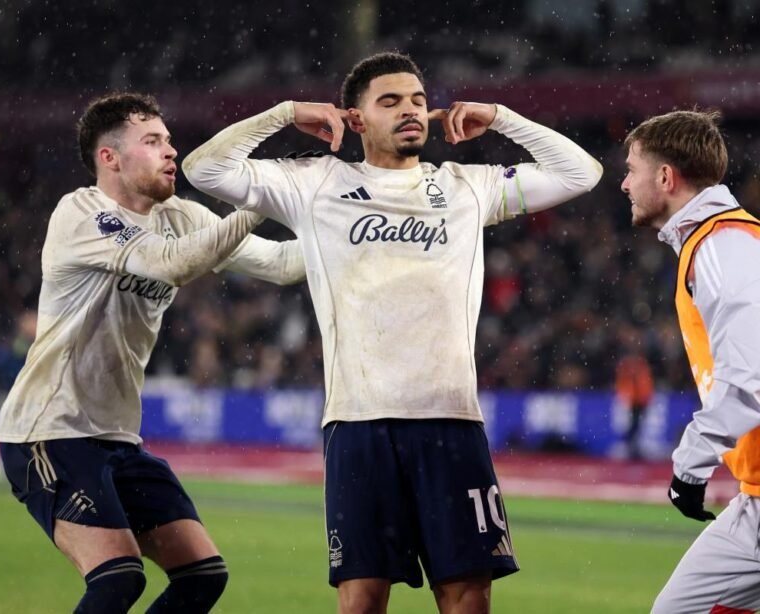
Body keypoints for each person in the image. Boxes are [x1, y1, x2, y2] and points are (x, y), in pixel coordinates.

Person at [184, 51, 602, 614]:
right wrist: (284, 113)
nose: (410, 111)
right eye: (390, 102)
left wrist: (501, 117)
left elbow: (582, 173)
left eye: (418, 100)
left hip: (451, 419)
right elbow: (204, 169)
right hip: (359, 420)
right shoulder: (314, 183)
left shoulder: (466, 187)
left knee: (468, 597)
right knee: (361, 599)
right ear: (354, 120)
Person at [0, 92, 305, 614]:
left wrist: (354, 237)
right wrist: (258, 206)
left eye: (168, 138)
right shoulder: (82, 213)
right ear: (109, 157)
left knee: (202, 576)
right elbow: (170, 265)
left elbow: (277, 264)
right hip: (48, 432)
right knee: (118, 578)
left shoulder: (179, 214)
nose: (171, 151)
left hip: (117, 438)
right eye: (153, 141)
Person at [621, 109, 760, 613]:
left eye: (632, 169)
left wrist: (690, 464)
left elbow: (751, 375)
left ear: (665, 177)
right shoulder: (719, 242)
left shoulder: (723, 245)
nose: (623, 183)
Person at [614, 327, 655, 459]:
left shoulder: (638, 364)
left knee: (636, 424)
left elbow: (643, 382)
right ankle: (629, 446)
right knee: (634, 424)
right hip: (634, 399)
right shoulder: (631, 364)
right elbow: (627, 382)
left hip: (639, 399)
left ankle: (631, 446)